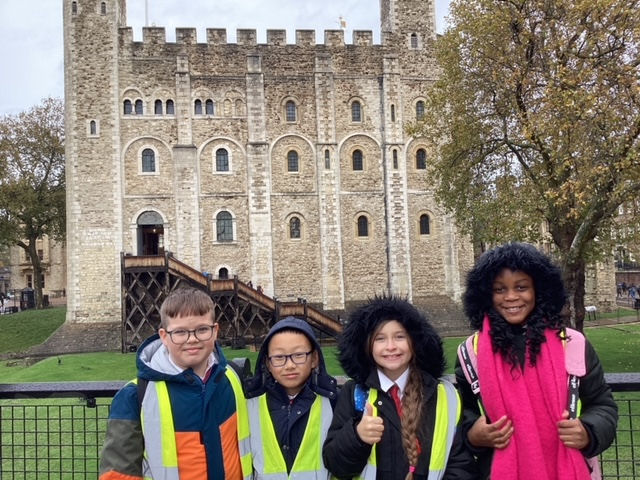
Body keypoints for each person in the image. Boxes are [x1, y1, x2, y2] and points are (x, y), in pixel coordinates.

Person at [455, 242, 618, 480]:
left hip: (568, 467)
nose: (511, 297)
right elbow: (461, 412)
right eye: (499, 289)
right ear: (486, 295)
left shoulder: (573, 343)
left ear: (539, 290)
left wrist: (589, 431)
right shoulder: (471, 352)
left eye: (521, 287)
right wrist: (473, 434)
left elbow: (602, 404)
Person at [99, 287, 250, 480]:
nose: (192, 339)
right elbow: (118, 474)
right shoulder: (135, 396)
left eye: (202, 329)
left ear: (215, 331)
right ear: (164, 336)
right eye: (180, 332)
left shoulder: (232, 378)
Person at [323, 295, 479, 480]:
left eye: (399, 337)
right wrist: (357, 436)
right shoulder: (354, 393)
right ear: (367, 347)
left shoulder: (443, 395)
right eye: (380, 339)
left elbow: (460, 463)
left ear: (414, 342)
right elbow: (335, 464)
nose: (391, 347)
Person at [243, 316, 338, 478]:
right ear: (268, 363)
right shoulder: (250, 404)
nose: (290, 365)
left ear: (314, 359)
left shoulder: (333, 402)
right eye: (279, 357)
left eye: (299, 355)